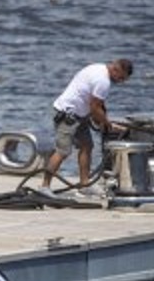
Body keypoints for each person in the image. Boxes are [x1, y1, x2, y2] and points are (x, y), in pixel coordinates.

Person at [41, 58, 134, 194]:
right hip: (67, 114)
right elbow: (95, 107)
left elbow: (97, 104)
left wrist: (102, 121)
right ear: (116, 70)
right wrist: (107, 124)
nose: (120, 82)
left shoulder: (98, 67)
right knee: (62, 151)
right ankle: (44, 187)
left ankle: (84, 184)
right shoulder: (103, 81)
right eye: (121, 78)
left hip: (79, 115)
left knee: (86, 146)